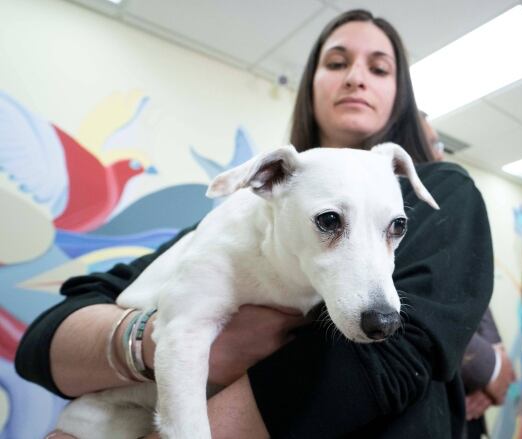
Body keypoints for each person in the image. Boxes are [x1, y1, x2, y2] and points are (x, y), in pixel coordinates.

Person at [16, 9, 494, 438]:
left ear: (401, 91)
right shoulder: (237, 221)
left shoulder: (443, 189)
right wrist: (150, 338)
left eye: (379, 67)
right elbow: (43, 344)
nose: (355, 77)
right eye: (336, 62)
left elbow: (394, 359)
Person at [418, 111, 514, 439]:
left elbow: (474, 298)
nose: (440, 153)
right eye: (432, 143)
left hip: (468, 399)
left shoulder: (447, 213)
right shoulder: (403, 219)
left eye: (440, 143)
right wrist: (492, 369)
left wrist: (496, 359)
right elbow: (421, 308)